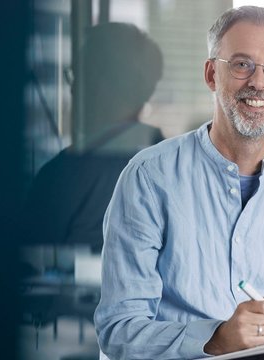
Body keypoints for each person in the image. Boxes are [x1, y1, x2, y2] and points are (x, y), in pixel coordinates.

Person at [94, 6, 264, 360]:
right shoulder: (150, 178)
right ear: (212, 74)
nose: (258, 83)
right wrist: (215, 339)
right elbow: (118, 331)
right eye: (242, 64)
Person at [19, 22, 163, 252]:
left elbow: (25, 268)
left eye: (76, 74)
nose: (72, 88)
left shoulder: (62, 176)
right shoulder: (173, 162)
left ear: (100, 84)